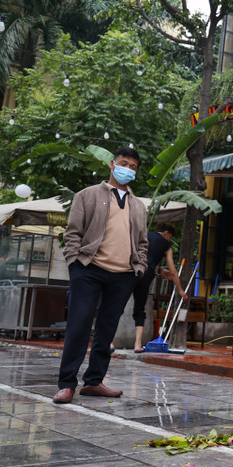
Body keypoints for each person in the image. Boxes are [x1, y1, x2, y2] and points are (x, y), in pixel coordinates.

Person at [52, 147, 148, 404]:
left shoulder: (138, 205)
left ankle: (94, 381)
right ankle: (66, 384)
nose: (128, 169)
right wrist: (75, 262)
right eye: (124, 163)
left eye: (134, 167)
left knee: (107, 330)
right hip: (88, 269)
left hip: (124, 274)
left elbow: (142, 242)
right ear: (112, 164)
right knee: (79, 324)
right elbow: (73, 233)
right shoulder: (88, 195)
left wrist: (139, 267)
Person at [131, 223, 187, 352]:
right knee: (139, 309)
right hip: (145, 275)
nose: (169, 240)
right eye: (170, 237)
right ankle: (138, 345)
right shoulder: (166, 245)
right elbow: (173, 271)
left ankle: (109, 342)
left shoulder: (143, 234)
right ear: (167, 233)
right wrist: (180, 289)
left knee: (118, 305)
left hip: (129, 270)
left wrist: (160, 270)